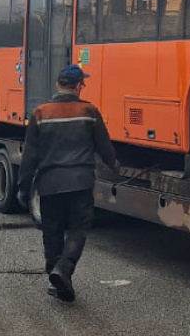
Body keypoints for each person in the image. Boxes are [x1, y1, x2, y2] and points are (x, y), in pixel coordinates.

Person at [17, 64, 117, 302]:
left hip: (49, 183)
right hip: (80, 182)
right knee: (77, 229)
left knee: (51, 230)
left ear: (57, 85)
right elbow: (105, 147)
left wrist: (23, 186)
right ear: (79, 86)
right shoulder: (89, 112)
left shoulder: (40, 113)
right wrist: (114, 166)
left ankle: (56, 273)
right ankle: (63, 269)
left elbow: (29, 155)